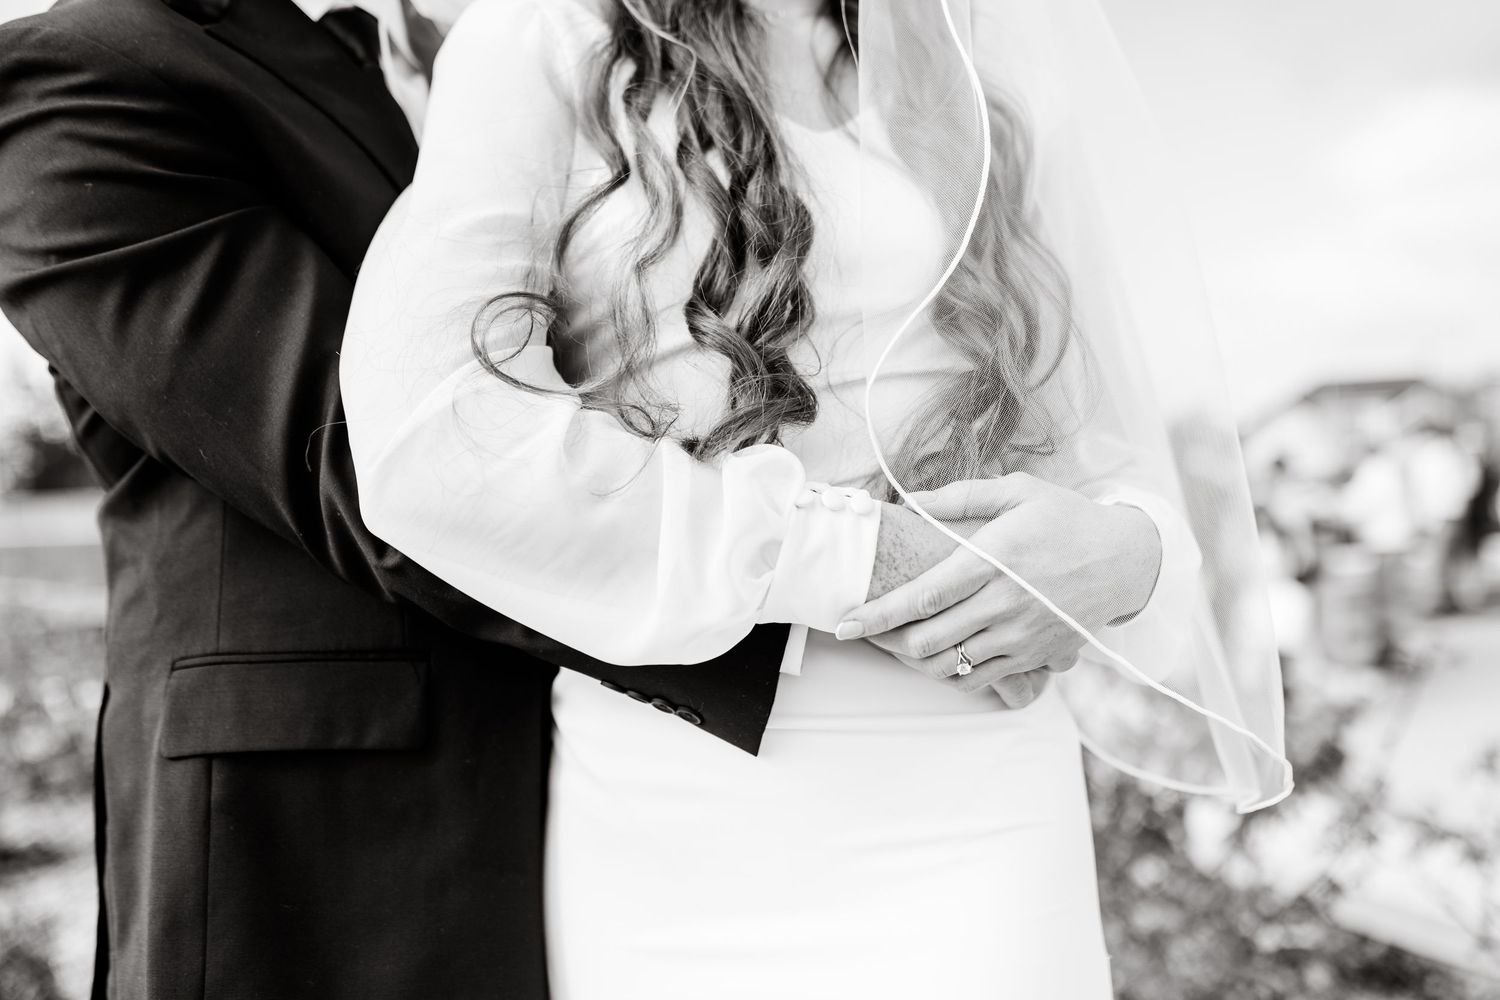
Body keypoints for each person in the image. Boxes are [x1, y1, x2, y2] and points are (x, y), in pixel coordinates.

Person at [0, 0, 990, 996]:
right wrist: (868, 566)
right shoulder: (82, 72)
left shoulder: (570, 41)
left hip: (637, 797)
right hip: (338, 838)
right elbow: (367, 466)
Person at [339, 0, 1263, 996]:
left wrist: (1131, 553)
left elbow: (1099, 445)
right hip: (678, 806)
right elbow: (430, 436)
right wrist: (857, 551)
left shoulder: (963, 65)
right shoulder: (550, 40)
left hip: (979, 794)